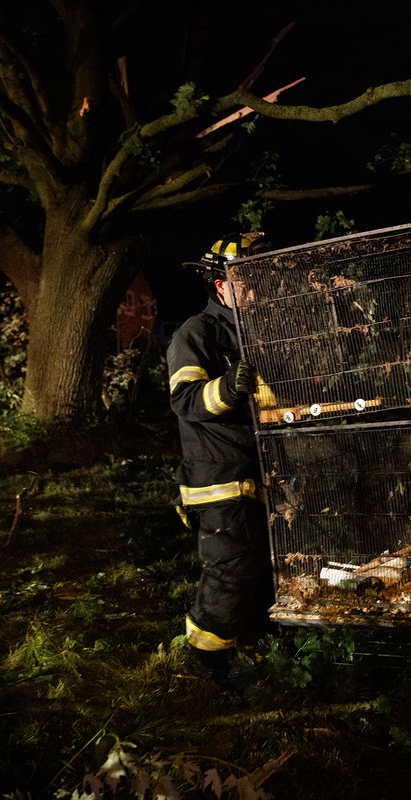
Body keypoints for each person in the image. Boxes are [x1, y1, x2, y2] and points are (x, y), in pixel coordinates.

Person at [167, 232, 278, 682]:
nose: (258, 290)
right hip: (219, 477)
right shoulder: (198, 333)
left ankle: (252, 643)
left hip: (264, 472)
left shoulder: (265, 333)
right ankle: (205, 662)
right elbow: (187, 399)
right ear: (221, 286)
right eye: (248, 281)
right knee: (232, 571)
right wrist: (229, 387)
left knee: (269, 566)